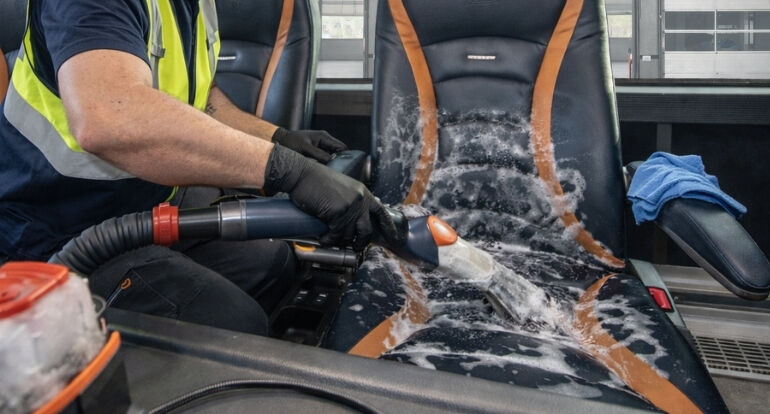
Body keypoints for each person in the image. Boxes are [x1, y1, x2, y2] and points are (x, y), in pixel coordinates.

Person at [0, 0, 397, 335]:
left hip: (145, 206)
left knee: (272, 264)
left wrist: (278, 138)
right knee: (232, 320)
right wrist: (287, 170)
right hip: (58, 236)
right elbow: (108, 116)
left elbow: (201, 100)